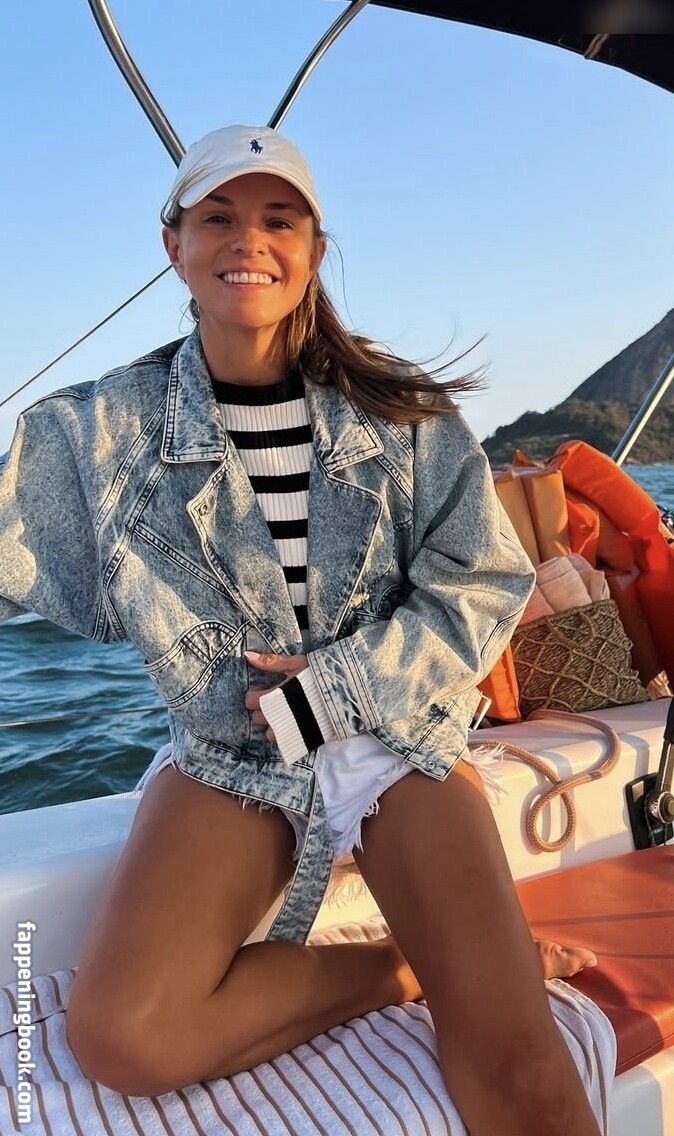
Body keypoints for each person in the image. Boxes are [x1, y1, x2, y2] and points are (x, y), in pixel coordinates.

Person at [0, 125, 602, 1135]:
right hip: (234, 749)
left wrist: (340, 690)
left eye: (278, 219)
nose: (249, 240)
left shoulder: (399, 412)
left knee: (523, 1072)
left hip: (393, 730)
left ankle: (458, 972)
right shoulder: (97, 431)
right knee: (122, 1038)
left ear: (314, 248)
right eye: (218, 217)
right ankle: (393, 967)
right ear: (173, 244)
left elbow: (484, 580)